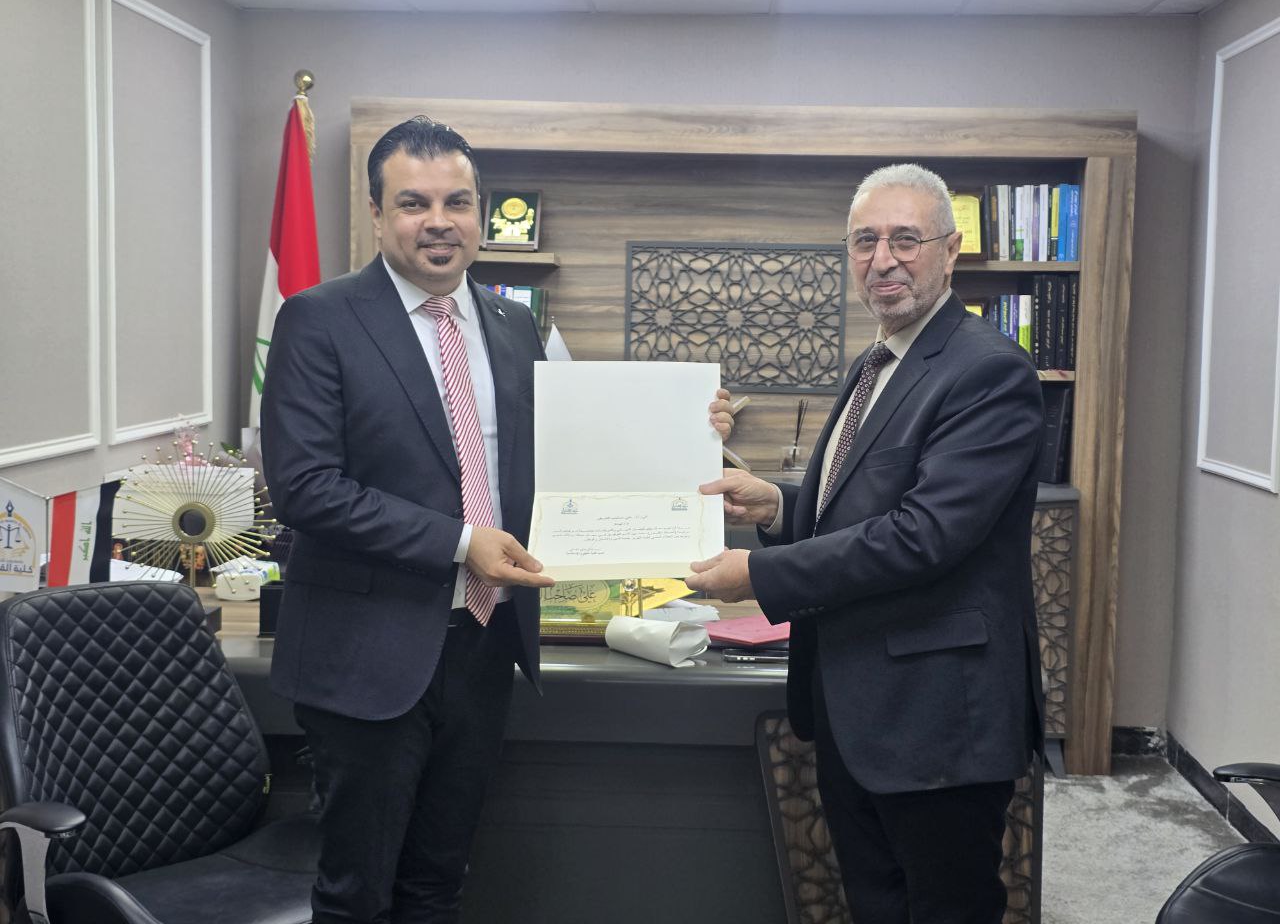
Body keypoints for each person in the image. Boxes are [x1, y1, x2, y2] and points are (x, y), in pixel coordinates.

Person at [261, 116, 734, 924]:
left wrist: (687, 432)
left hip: (483, 649)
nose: (438, 221)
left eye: (458, 202)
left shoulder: (513, 326)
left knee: (438, 885)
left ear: (481, 214)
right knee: (355, 896)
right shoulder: (319, 319)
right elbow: (307, 488)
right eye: (413, 203)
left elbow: (557, 463)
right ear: (376, 214)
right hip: (367, 658)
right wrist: (459, 543)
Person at [687, 163, 1044, 924]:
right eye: (865, 241)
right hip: (857, 706)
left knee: (945, 909)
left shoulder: (988, 371)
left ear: (950, 251)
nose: (883, 259)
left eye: (905, 239)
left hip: (938, 717)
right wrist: (779, 507)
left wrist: (761, 573)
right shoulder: (877, 361)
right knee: (878, 903)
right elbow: (859, 509)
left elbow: (923, 536)